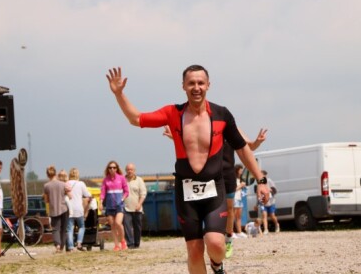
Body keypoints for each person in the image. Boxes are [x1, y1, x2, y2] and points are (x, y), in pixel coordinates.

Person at [106, 65, 269, 274]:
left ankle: (217, 265)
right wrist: (119, 94)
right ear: (183, 86)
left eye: (201, 83)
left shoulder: (222, 114)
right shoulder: (173, 113)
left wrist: (260, 180)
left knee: (216, 244)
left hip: (214, 191)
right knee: (194, 250)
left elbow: (242, 148)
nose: (196, 87)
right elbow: (136, 119)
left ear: (208, 85)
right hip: (185, 192)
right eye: (191, 83)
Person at [164, 126, 266, 258]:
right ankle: (210, 239)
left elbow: (250, 147)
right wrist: (174, 136)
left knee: (230, 209)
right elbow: (190, 142)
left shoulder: (232, 127)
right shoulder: (203, 125)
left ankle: (228, 238)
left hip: (227, 174)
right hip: (209, 174)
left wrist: (258, 141)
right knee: (208, 207)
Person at [99, 161, 129, 251]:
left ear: (117, 168)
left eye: (114, 167)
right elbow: (103, 193)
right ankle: (116, 245)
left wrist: (122, 199)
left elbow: (126, 191)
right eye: (110, 167)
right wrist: (100, 202)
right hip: (109, 206)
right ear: (108, 169)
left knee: (118, 223)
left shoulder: (121, 178)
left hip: (119, 205)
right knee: (112, 225)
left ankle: (123, 241)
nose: (112, 169)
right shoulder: (105, 180)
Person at [43, 165, 71, 253]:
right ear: (56, 173)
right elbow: (70, 196)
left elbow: (46, 200)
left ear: (47, 175)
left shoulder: (46, 186)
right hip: (64, 209)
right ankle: (62, 247)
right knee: (63, 229)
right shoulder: (63, 184)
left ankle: (57, 245)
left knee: (55, 229)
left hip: (53, 209)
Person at [66, 167, 91, 251]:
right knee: (81, 226)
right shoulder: (81, 184)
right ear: (78, 175)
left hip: (69, 208)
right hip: (78, 208)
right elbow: (87, 194)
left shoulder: (67, 183)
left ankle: (70, 247)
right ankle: (79, 243)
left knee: (70, 229)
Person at [123, 163, 147, 249]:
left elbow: (143, 194)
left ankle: (137, 243)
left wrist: (139, 204)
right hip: (126, 207)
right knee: (127, 227)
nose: (130, 171)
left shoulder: (139, 180)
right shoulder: (123, 180)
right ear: (126, 170)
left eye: (131, 169)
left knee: (137, 226)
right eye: (128, 169)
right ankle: (130, 244)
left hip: (137, 208)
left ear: (134, 170)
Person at [257, 170, 280, 234]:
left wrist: (270, 190)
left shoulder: (269, 181)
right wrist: (258, 203)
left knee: (272, 215)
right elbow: (258, 193)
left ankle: (277, 224)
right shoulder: (259, 182)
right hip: (263, 202)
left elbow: (275, 190)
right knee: (264, 215)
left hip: (271, 201)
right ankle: (266, 229)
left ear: (264, 175)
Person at [232, 164, 246, 239]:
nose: (241, 171)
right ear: (237, 170)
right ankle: (231, 232)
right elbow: (232, 190)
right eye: (240, 170)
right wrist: (240, 186)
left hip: (239, 199)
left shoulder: (240, 179)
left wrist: (242, 186)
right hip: (234, 199)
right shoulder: (233, 179)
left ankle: (239, 232)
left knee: (238, 217)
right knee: (232, 216)